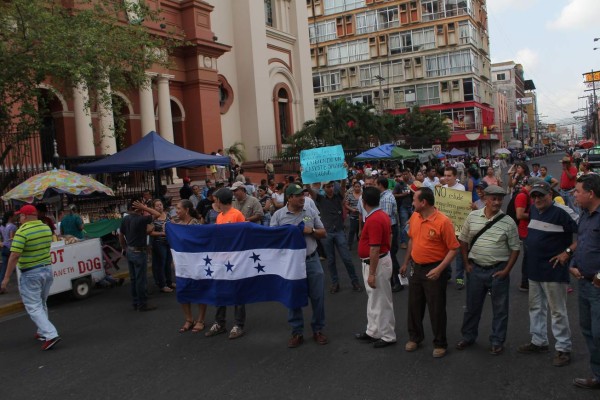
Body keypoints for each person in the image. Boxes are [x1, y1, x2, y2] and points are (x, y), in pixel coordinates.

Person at [517, 180, 577, 367]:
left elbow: (583, 234)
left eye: (541, 195)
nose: (537, 199)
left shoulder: (562, 212)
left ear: (550, 194)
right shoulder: (534, 210)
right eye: (534, 195)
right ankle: (539, 341)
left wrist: (567, 253)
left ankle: (563, 349)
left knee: (557, 311)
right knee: (536, 308)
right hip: (534, 270)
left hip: (553, 271)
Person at [455, 185, 520, 356]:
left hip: (498, 271)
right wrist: (466, 263)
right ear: (485, 199)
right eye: (494, 198)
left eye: (500, 199)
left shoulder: (508, 222)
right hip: (475, 269)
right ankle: (468, 337)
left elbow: (515, 249)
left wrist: (506, 270)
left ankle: (497, 341)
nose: (497, 202)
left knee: (500, 309)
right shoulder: (473, 216)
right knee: (472, 307)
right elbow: (463, 241)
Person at [400, 187, 459, 358]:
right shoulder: (415, 216)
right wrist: (406, 262)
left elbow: (453, 249)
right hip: (416, 268)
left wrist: (440, 269)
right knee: (414, 306)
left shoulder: (443, 221)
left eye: (414, 200)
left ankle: (440, 343)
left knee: (436, 308)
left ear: (423, 202)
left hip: (434, 269)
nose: (412, 202)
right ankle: (415, 337)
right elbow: (412, 239)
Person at [271, 183, 328, 348]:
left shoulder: (309, 212)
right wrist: (287, 233)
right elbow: (273, 240)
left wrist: (310, 231)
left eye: (303, 195)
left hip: (311, 259)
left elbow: (323, 232)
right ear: (289, 198)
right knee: (293, 297)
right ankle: (297, 332)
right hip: (291, 264)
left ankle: (318, 329)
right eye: (299, 195)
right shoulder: (279, 216)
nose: (303, 198)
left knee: (318, 297)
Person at [0, 205, 60, 350]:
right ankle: (42, 332)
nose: (19, 218)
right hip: (46, 270)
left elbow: (14, 255)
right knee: (41, 302)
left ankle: (50, 334)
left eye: (20, 216)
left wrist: (6, 278)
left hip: (31, 273)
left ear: (25, 216)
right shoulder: (46, 228)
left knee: (33, 306)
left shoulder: (22, 231)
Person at [354, 186, 395, 348]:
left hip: (375, 263)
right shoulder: (380, 215)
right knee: (374, 299)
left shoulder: (375, 219)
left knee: (381, 301)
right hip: (377, 261)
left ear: (364, 202)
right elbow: (389, 237)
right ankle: (373, 330)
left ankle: (387, 335)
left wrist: (372, 272)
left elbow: (375, 247)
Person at [570, 174, 600, 389]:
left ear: (591, 193)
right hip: (583, 284)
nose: (574, 194)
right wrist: (572, 262)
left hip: (597, 286)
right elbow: (581, 241)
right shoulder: (585, 215)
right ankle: (597, 375)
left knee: (599, 333)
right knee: (588, 330)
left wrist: (598, 279)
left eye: (578, 191)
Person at [205, 188, 247, 340]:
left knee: (237, 292)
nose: (214, 201)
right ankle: (220, 323)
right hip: (222, 259)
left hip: (235, 260)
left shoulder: (236, 214)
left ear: (220, 200)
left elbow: (243, 237)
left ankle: (239, 324)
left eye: (215, 199)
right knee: (220, 290)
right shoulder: (220, 216)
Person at [316, 181, 362, 294]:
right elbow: (311, 191)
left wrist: (343, 177)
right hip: (327, 233)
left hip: (339, 231)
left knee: (347, 258)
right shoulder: (320, 199)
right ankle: (335, 283)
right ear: (324, 188)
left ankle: (355, 281)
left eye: (331, 186)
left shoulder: (338, 196)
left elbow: (342, 186)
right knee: (331, 260)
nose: (330, 188)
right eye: (328, 186)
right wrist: (306, 178)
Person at [171, 199, 207, 333]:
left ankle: (201, 319)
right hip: (182, 264)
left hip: (196, 262)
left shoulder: (195, 224)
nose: (176, 211)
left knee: (199, 290)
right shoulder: (177, 225)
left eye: (179, 209)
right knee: (183, 290)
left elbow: (199, 241)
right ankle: (188, 319)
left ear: (186, 210)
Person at [119, 199, 161, 312]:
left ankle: (136, 302)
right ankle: (142, 304)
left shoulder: (126, 219)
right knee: (140, 279)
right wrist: (144, 207)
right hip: (139, 252)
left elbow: (121, 235)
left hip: (130, 251)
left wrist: (124, 248)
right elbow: (158, 214)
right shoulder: (141, 219)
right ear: (138, 208)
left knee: (133, 279)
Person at [376, 176, 402, 292]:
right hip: (391, 228)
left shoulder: (386, 198)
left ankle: (397, 281)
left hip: (389, 229)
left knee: (390, 255)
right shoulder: (385, 196)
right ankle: (393, 280)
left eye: (376, 184)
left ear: (380, 185)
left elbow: (385, 219)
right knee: (390, 254)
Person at [443, 167, 466, 290]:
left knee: (458, 253)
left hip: (458, 226)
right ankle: (447, 273)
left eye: (449, 175)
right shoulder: (442, 189)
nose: (446, 178)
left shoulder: (461, 188)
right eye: (445, 175)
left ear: (455, 176)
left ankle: (459, 277)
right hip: (446, 226)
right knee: (444, 251)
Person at [149, 199, 174, 294]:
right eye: (157, 205)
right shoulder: (153, 218)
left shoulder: (167, 214)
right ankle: (162, 285)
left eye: (161, 204)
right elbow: (150, 232)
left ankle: (169, 282)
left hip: (168, 242)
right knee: (161, 263)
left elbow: (173, 224)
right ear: (153, 208)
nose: (160, 206)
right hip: (159, 242)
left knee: (168, 263)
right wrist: (162, 233)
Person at [393, 170, 413, 250]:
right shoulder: (399, 184)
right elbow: (394, 194)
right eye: (403, 174)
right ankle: (403, 242)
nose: (405, 175)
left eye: (406, 174)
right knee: (403, 225)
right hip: (403, 207)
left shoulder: (412, 183)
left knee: (414, 223)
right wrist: (402, 194)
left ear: (409, 174)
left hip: (412, 206)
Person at [0, 211, 17, 292]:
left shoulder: (3, 226)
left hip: (4, 247)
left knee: (4, 268)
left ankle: (2, 285)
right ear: (10, 217)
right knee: (17, 265)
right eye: (14, 216)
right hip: (11, 248)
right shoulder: (13, 226)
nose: (16, 217)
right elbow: (11, 238)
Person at [344, 180, 362, 250]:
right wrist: (352, 209)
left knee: (360, 230)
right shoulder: (350, 195)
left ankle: (361, 244)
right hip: (353, 215)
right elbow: (346, 205)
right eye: (355, 187)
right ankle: (349, 244)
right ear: (353, 187)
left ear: (361, 187)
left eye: (358, 187)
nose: (357, 188)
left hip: (362, 215)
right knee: (352, 230)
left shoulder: (363, 194)